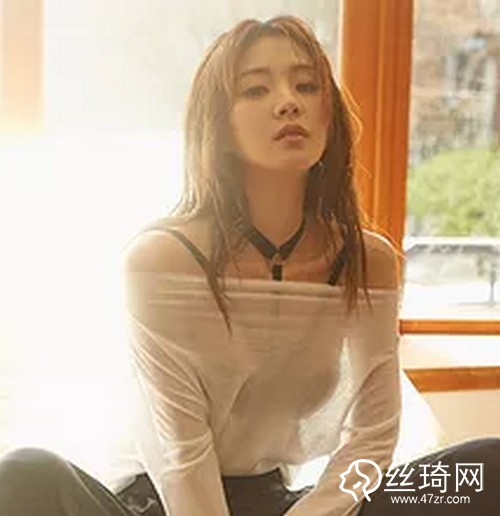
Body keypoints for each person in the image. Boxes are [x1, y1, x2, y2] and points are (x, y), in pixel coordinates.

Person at [0, 14, 499, 516]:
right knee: (26, 474)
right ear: (220, 125)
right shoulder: (162, 260)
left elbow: (371, 438)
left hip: (283, 505)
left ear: (328, 114)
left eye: (306, 85)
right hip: (166, 502)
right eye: (256, 89)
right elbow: (180, 456)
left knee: (485, 469)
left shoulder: (368, 262)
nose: (288, 102)